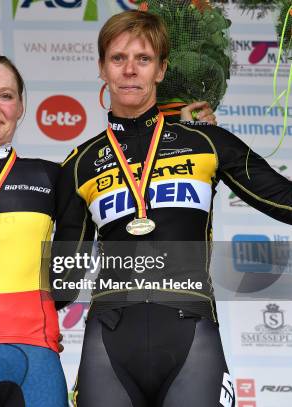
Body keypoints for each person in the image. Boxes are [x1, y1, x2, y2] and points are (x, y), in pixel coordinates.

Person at [0, 52, 215, 407]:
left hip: (35, 353)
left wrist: (181, 135)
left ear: (21, 106)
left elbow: (85, 254)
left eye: (6, 95)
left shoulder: (52, 176)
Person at [54, 10, 292, 407]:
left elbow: (282, 199)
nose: (130, 70)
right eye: (118, 58)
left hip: (190, 328)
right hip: (109, 338)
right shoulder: (80, 162)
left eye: (143, 59)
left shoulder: (207, 142)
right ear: (102, 68)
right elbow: (65, 275)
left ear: (161, 70)